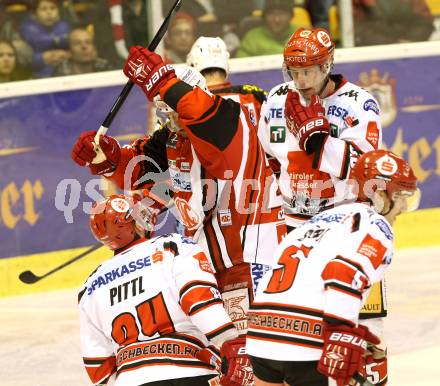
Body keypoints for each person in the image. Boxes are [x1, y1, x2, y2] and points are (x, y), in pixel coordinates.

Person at [71, 47, 286, 336]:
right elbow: (139, 168)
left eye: (173, 111)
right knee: (226, 356)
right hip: (210, 264)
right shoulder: (173, 138)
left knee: (259, 357)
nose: (170, 121)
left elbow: (200, 112)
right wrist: (106, 158)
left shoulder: (227, 121)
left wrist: (161, 80)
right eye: (164, 113)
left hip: (253, 259)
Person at [256, 27, 386, 383]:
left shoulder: (360, 103)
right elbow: (268, 157)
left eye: (309, 71)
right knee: (304, 338)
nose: (300, 80)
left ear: (328, 64)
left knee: (364, 337)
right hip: (295, 231)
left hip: (345, 229)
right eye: (293, 71)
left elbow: (368, 170)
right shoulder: (276, 100)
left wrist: (320, 141)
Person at [246, 149, 420, 386]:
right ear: (379, 193)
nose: (402, 207)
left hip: (260, 335)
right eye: (400, 196)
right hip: (305, 344)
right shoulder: (375, 225)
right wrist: (342, 330)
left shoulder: (312, 223)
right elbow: (344, 272)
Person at [79, 193, 253, 385]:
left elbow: (99, 368)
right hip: (188, 373)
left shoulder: (89, 287)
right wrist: (232, 344)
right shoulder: (174, 247)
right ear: (132, 222)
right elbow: (200, 301)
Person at [235, 0, 307, 58]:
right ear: (264, 17)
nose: (277, 20)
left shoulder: (303, 35)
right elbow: (241, 70)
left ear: (291, 16)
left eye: (282, 14)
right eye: (272, 14)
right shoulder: (251, 38)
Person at [20, 0, 71, 78]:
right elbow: (24, 61)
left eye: (53, 8)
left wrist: (67, 55)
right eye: (43, 9)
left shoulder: (65, 27)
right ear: (35, 13)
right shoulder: (27, 29)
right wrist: (42, 57)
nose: (49, 13)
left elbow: (74, 50)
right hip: (36, 76)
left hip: (66, 74)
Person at [352, 0, 435, 46]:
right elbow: (356, 30)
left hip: (410, 51)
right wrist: (394, 43)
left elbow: (424, 22)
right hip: (367, 53)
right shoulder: (354, 3)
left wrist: (409, 43)